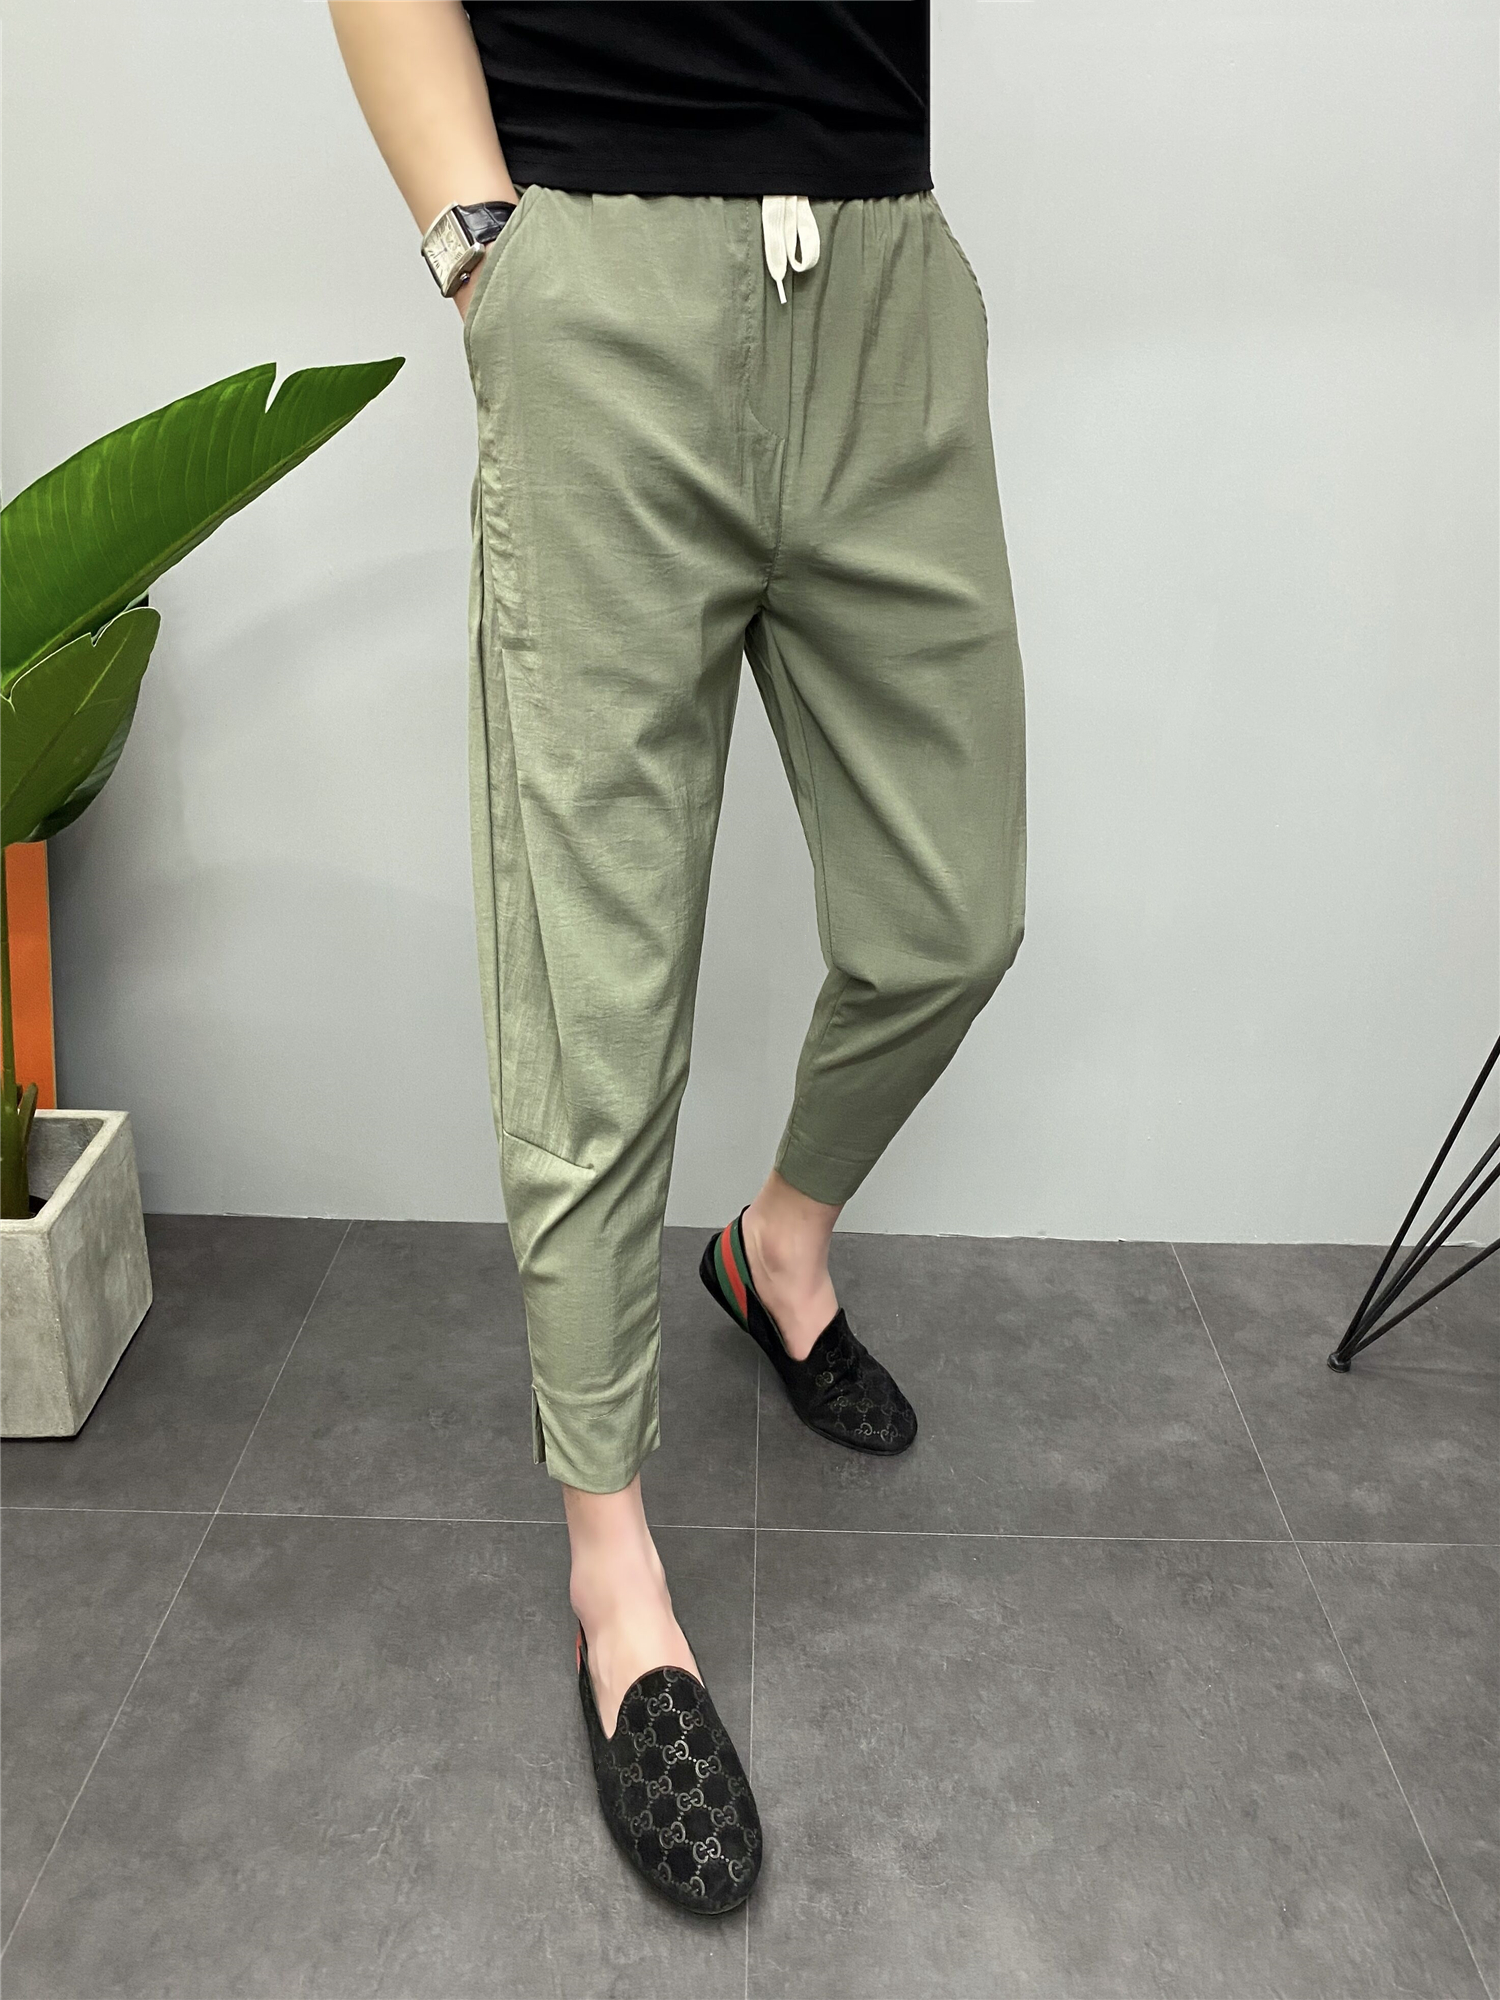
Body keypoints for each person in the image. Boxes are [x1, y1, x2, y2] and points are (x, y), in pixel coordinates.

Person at [328, 0, 1026, 1915]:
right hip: (601, 284)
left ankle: (774, 1246)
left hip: (884, 281)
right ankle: (615, 1580)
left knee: (952, 918)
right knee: (598, 992)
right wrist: (485, 248)